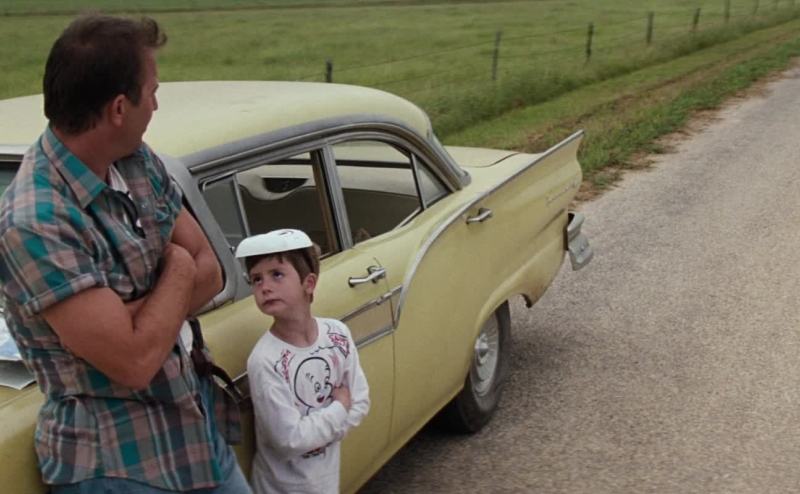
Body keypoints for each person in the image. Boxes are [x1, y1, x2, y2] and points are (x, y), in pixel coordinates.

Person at [0, 14, 249, 493]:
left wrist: (133, 320)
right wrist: (177, 266)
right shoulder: (35, 219)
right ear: (118, 107)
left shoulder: (136, 159)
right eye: (151, 91)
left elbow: (214, 272)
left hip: (193, 425)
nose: (155, 104)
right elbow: (134, 362)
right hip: (116, 461)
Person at [236, 229, 370, 494]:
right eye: (256, 279)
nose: (265, 286)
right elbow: (289, 440)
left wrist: (318, 431)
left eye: (277, 274)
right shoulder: (265, 360)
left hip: (325, 481)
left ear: (308, 283)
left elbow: (360, 401)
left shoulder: (336, 335)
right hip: (280, 488)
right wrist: (338, 408)